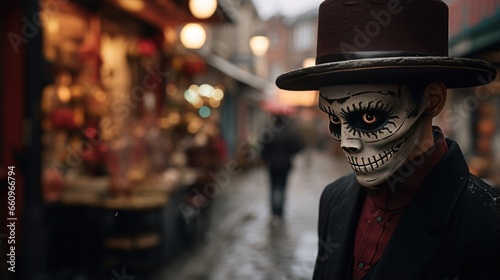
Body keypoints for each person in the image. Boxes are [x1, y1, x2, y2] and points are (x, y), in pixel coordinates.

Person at [275, 0, 500, 279]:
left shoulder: (486, 223)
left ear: (432, 100)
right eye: (334, 119)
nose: (346, 142)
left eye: (369, 117)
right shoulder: (334, 199)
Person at [260, 114, 302, 217]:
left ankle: (274, 210)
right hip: (285, 165)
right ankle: (280, 210)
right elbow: (296, 148)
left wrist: (266, 158)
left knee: (273, 186)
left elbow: (263, 150)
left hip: (272, 165)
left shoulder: (269, 132)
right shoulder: (290, 133)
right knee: (282, 187)